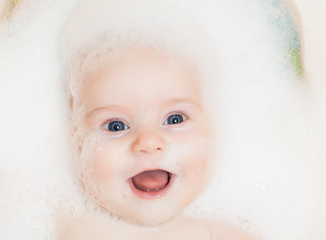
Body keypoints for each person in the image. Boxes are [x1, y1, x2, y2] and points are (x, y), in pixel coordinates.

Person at [58, 1, 258, 239]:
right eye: (116, 126)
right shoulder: (58, 216)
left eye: (174, 119)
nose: (148, 142)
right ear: (75, 140)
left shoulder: (224, 233)